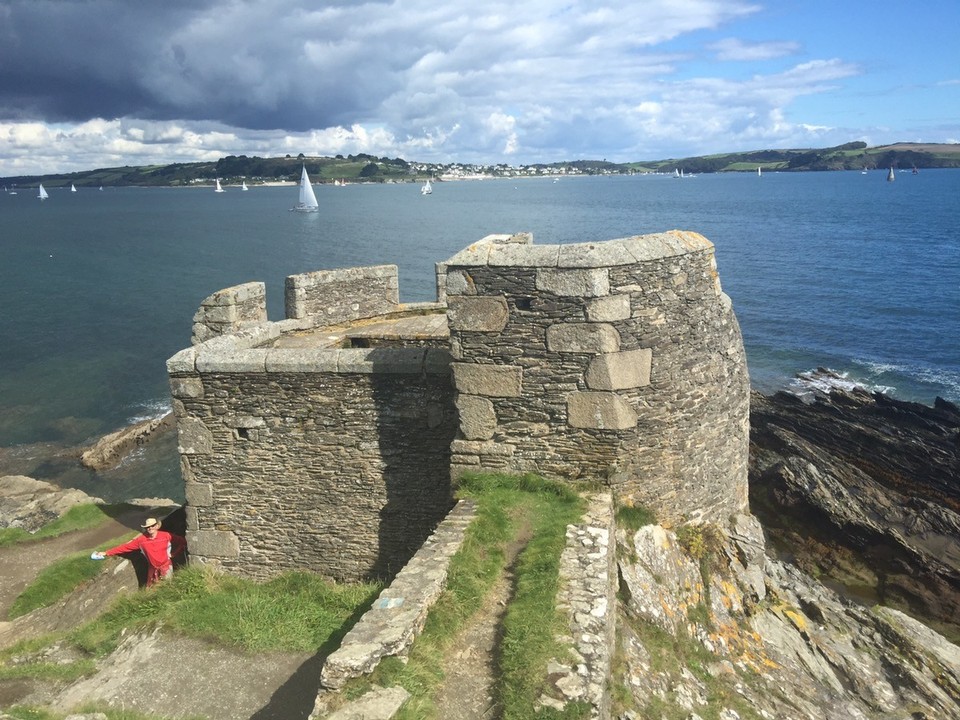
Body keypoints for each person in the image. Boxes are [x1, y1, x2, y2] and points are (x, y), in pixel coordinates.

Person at [92, 517, 186, 587]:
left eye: (152, 526)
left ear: (157, 526)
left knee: (168, 586)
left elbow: (182, 542)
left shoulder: (166, 536)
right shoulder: (141, 540)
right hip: (152, 569)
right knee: (151, 590)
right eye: (147, 527)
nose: (150, 528)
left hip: (166, 567)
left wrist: (174, 554)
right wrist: (106, 553)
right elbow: (125, 547)